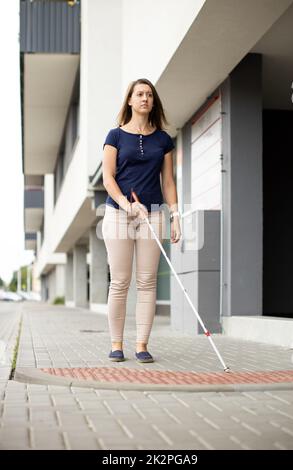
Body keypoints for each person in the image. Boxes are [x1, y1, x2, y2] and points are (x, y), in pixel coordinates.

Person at [102, 78, 181, 363]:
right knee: (120, 282)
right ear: (130, 101)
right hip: (118, 214)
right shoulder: (115, 136)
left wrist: (175, 216)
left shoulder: (163, 140)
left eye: (149, 94)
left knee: (147, 282)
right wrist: (126, 204)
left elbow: (169, 181)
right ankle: (116, 344)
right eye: (139, 94)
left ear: (153, 102)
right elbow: (107, 178)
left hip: (154, 214)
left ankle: (142, 345)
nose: (145, 98)